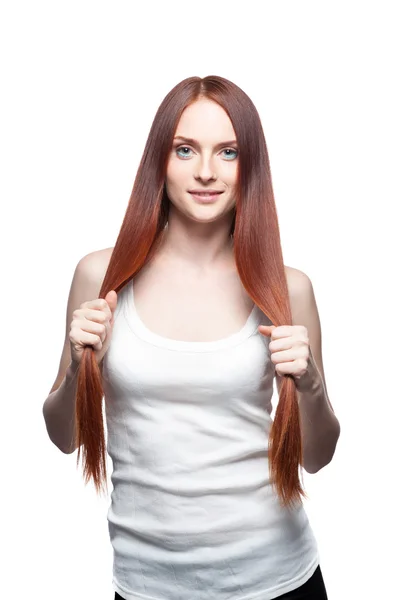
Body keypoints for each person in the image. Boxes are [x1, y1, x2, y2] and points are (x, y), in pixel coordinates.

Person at [42, 75, 340, 599]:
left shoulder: (288, 288)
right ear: (160, 159)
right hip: (147, 585)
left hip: (278, 579)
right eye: (186, 150)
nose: (206, 172)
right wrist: (77, 366)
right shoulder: (101, 276)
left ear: (251, 167)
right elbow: (64, 436)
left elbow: (316, 456)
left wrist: (311, 386)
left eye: (228, 152)